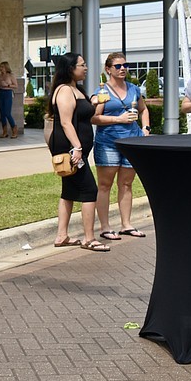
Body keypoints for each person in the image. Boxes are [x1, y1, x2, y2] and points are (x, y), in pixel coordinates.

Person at [46, 53, 109, 252]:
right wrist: (78, 148)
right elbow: (65, 122)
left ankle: (62, 235)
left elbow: (84, 116)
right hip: (71, 151)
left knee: (69, 192)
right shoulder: (64, 90)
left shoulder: (76, 89)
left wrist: (96, 103)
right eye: (82, 65)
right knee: (90, 190)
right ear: (70, 68)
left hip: (77, 150)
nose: (86, 68)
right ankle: (89, 239)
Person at [91, 53, 149, 241]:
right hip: (108, 143)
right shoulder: (103, 92)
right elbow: (94, 118)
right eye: (117, 66)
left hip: (132, 142)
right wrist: (118, 119)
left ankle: (126, 224)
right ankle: (105, 227)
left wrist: (146, 129)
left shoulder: (134, 89)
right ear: (108, 69)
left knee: (126, 184)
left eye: (125, 65)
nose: (122, 68)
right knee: (105, 185)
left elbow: (143, 109)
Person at [0, 61, 18, 138]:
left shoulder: (11, 76)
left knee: (7, 113)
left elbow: (16, 86)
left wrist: (7, 85)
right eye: (0, 67)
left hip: (8, 93)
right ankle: (4, 131)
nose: (1, 69)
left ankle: (14, 130)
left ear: (6, 67)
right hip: (0, 93)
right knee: (2, 114)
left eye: (2, 67)